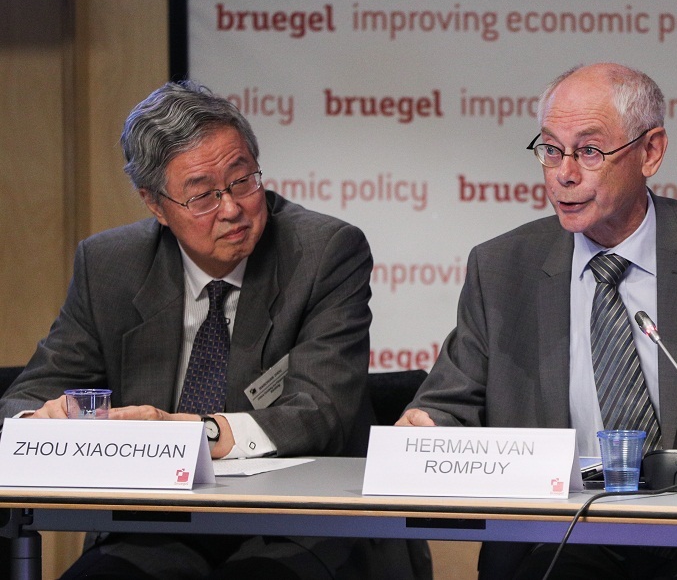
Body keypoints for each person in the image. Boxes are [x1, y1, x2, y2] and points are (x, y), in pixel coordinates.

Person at [397, 63, 677, 579]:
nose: (564, 173)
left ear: (651, 152)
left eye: (589, 151)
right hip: (567, 536)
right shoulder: (501, 268)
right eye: (551, 150)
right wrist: (428, 426)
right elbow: (450, 402)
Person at [0, 80, 429, 580]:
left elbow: (321, 412)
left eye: (242, 181)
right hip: (156, 527)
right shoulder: (109, 265)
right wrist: (44, 422)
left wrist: (193, 434)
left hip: (302, 525)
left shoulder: (323, 252)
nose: (231, 208)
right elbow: (24, 397)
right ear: (155, 204)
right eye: (203, 195)